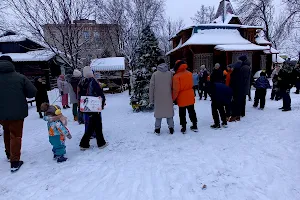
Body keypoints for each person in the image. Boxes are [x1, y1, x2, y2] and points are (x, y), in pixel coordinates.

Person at [0, 56, 37, 173]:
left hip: (1, 113)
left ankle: (9, 153)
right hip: (17, 112)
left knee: (6, 131)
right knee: (15, 135)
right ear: (11, 64)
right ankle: (15, 161)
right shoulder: (20, 77)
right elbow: (32, 92)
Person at [79, 66, 108, 150]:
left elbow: (80, 94)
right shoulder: (93, 81)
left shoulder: (82, 82)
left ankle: (84, 144)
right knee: (98, 124)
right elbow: (100, 93)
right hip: (94, 105)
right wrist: (102, 103)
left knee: (92, 124)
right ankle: (101, 143)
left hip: (86, 105)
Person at [149, 59, 174, 135]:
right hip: (168, 97)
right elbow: (173, 86)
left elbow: (151, 87)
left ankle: (157, 129)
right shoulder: (170, 74)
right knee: (169, 114)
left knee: (158, 115)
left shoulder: (155, 74)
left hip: (158, 98)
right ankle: (171, 128)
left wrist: (151, 100)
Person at [172, 60, 198, 133]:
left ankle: (183, 127)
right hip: (190, 94)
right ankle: (194, 124)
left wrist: (173, 98)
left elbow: (176, 89)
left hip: (181, 96)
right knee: (192, 111)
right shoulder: (190, 73)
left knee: (182, 112)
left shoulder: (176, 76)